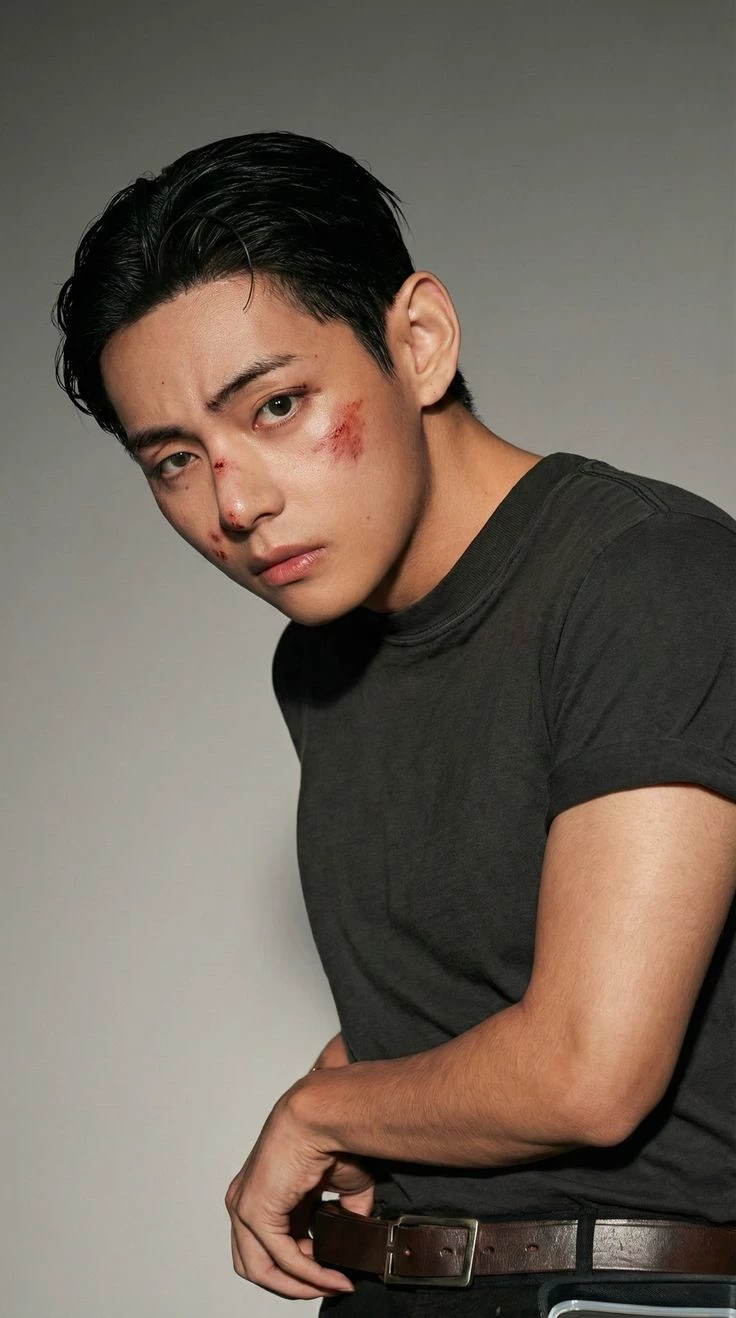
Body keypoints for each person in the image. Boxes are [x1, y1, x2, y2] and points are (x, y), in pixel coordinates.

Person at [54, 130, 736, 1315]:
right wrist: (356, 1109)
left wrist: (320, 1112)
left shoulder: (646, 577)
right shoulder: (318, 662)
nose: (235, 503)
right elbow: (452, 1001)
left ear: (418, 341)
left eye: (275, 405)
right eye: (172, 460)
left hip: (619, 1295)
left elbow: (591, 1072)